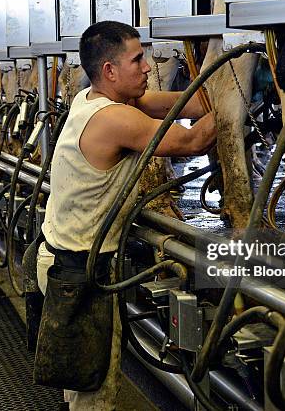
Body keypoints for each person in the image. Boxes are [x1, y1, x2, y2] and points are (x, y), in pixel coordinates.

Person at [36, 21, 216, 410]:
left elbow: (184, 104)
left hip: (62, 260)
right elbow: (192, 140)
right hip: (80, 273)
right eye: (137, 60)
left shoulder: (92, 99)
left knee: (80, 381)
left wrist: (223, 82)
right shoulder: (114, 120)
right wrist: (239, 104)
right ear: (110, 71)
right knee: (95, 390)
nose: (148, 67)